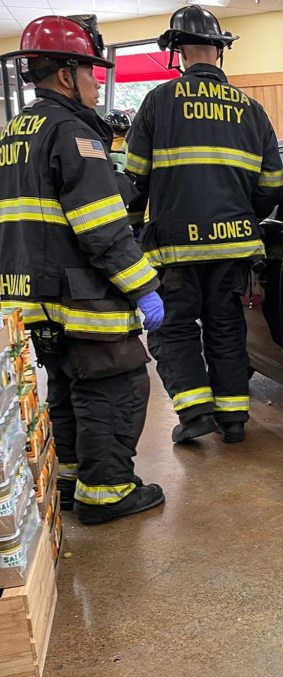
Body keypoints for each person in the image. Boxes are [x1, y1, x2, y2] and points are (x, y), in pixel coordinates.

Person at [0, 15, 166, 524]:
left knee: (69, 388)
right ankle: (107, 492)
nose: (98, 84)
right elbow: (101, 227)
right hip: (80, 294)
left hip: (33, 296)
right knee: (115, 385)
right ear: (68, 74)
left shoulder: (16, 131)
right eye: (93, 73)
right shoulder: (73, 132)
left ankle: (70, 483)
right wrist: (144, 287)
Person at [125, 5, 283, 445]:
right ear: (220, 51)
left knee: (175, 329)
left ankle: (195, 413)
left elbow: (134, 179)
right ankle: (234, 420)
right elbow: (273, 186)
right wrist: (240, 213)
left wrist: (133, 235)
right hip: (234, 246)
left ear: (176, 51)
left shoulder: (159, 102)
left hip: (175, 248)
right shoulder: (252, 110)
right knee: (226, 327)